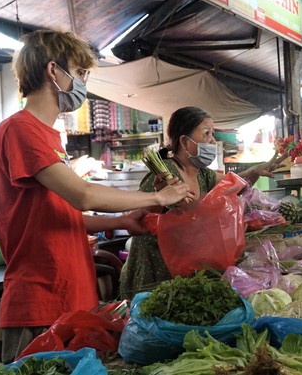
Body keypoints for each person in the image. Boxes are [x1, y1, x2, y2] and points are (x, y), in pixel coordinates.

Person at [0, 30, 195, 363]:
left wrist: (121, 221)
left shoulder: (51, 136)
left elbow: (58, 213)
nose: (83, 83)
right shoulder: (20, 129)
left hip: (70, 293)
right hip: (40, 300)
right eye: (80, 73)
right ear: (53, 71)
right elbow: (83, 195)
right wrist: (156, 199)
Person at [119, 106, 284, 299]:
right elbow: (138, 220)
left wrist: (255, 171)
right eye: (206, 134)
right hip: (156, 270)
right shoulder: (164, 173)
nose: (213, 140)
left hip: (188, 270)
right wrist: (159, 196)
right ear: (184, 142)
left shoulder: (203, 174)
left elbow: (234, 186)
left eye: (212, 134)